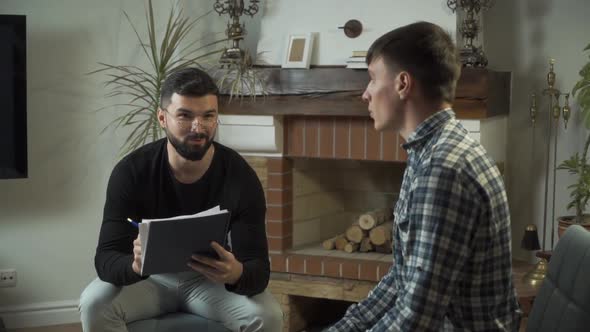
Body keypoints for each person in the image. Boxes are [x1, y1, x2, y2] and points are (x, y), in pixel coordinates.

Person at [326, 21, 521, 331]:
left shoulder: (444, 169)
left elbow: (416, 317)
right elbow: (402, 280)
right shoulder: (427, 151)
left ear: (403, 84)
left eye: (373, 79)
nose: (365, 94)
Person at [79, 67, 283, 332]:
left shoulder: (240, 176)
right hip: (148, 281)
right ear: (162, 118)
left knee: (269, 316)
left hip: (209, 282)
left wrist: (236, 274)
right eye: (185, 116)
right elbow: (106, 259)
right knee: (94, 303)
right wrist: (133, 266)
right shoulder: (131, 172)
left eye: (208, 116)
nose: (198, 128)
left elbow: (259, 270)